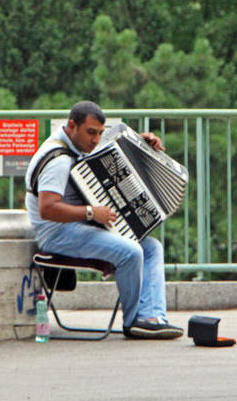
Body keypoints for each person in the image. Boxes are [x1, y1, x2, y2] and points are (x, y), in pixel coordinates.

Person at [25, 101, 183, 339]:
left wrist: (142, 144)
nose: (96, 139)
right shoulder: (58, 160)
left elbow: (111, 153)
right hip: (57, 234)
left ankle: (152, 316)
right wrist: (91, 212)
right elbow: (47, 209)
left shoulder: (77, 146)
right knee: (132, 252)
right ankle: (134, 322)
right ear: (71, 126)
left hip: (79, 227)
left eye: (99, 133)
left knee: (151, 247)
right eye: (91, 132)